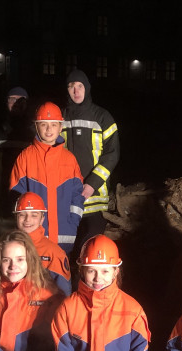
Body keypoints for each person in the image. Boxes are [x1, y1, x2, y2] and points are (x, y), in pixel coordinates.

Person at [52, 235, 150, 351]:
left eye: (105, 271)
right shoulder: (67, 308)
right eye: (91, 271)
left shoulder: (133, 310)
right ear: (81, 270)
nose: (98, 278)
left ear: (116, 271)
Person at [10, 102, 84, 253]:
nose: (49, 129)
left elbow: (78, 196)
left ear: (60, 127)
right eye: (44, 124)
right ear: (36, 127)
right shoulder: (25, 157)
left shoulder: (70, 159)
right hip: (33, 238)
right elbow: (16, 197)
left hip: (65, 237)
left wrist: (73, 222)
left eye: (53, 124)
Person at [62, 69, 120, 254]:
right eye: (71, 87)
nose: (76, 91)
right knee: (66, 245)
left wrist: (92, 184)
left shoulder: (103, 117)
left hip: (95, 195)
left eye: (80, 86)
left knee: (90, 244)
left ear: (87, 89)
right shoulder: (61, 116)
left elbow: (112, 153)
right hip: (67, 193)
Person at [0, 87, 33, 220]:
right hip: (1, 198)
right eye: (12, 99)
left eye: (20, 100)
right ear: (6, 102)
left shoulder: (35, 133)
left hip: (28, 198)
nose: (16, 103)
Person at [13, 191, 72, 295]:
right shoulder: (7, 248)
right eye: (22, 215)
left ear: (42, 219)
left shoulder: (53, 252)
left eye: (34, 215)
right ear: (16, 218)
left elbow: (64, 294)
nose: (27, 219)